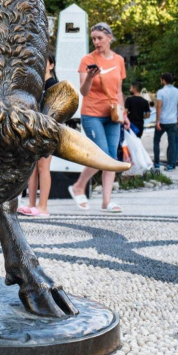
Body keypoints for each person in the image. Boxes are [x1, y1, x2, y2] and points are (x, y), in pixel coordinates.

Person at [70, 23, 129, 213]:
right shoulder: (87, 60)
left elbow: (119, 90)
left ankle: (106, 201)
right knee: (102, 155)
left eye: (99, 38)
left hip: (113, 114)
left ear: (109, 38)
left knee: (111, 157)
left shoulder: (119, 60)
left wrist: (124, 113)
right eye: (93, 38)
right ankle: (79, 186)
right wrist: (89, 77)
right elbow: (83, 92)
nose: (96, 42)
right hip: (92, 114)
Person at [21, 54, 58, 217]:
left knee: (44, 167)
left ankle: (43, 206)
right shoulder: (35, 84)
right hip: (33, 128)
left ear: (51, 65)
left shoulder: (53, 85)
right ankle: (31, 203)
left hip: (47, 130)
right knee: (32, 168)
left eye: (45, 62)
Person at [153, 73, 178, 171]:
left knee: (156, 141)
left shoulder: (161, 92)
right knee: (172, 142)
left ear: (164, 80)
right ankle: (170, 164)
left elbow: (159, 106)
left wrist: (157, 121)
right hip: (172, 121)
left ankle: (156, 163)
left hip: (162, 120)